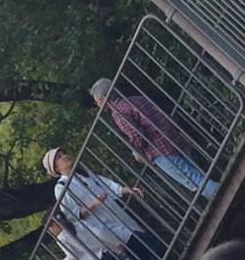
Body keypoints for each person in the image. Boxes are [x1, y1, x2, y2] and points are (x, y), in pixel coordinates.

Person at [90, 78, 220, 199]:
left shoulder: (118, 113)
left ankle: (223, 194)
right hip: (173, 137)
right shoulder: (135, 99)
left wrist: (137, 152)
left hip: (160, 150)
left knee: (194, 181)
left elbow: (137, 135)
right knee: (198, 175)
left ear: (104, 98)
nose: (98, 104)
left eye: (97, 101)